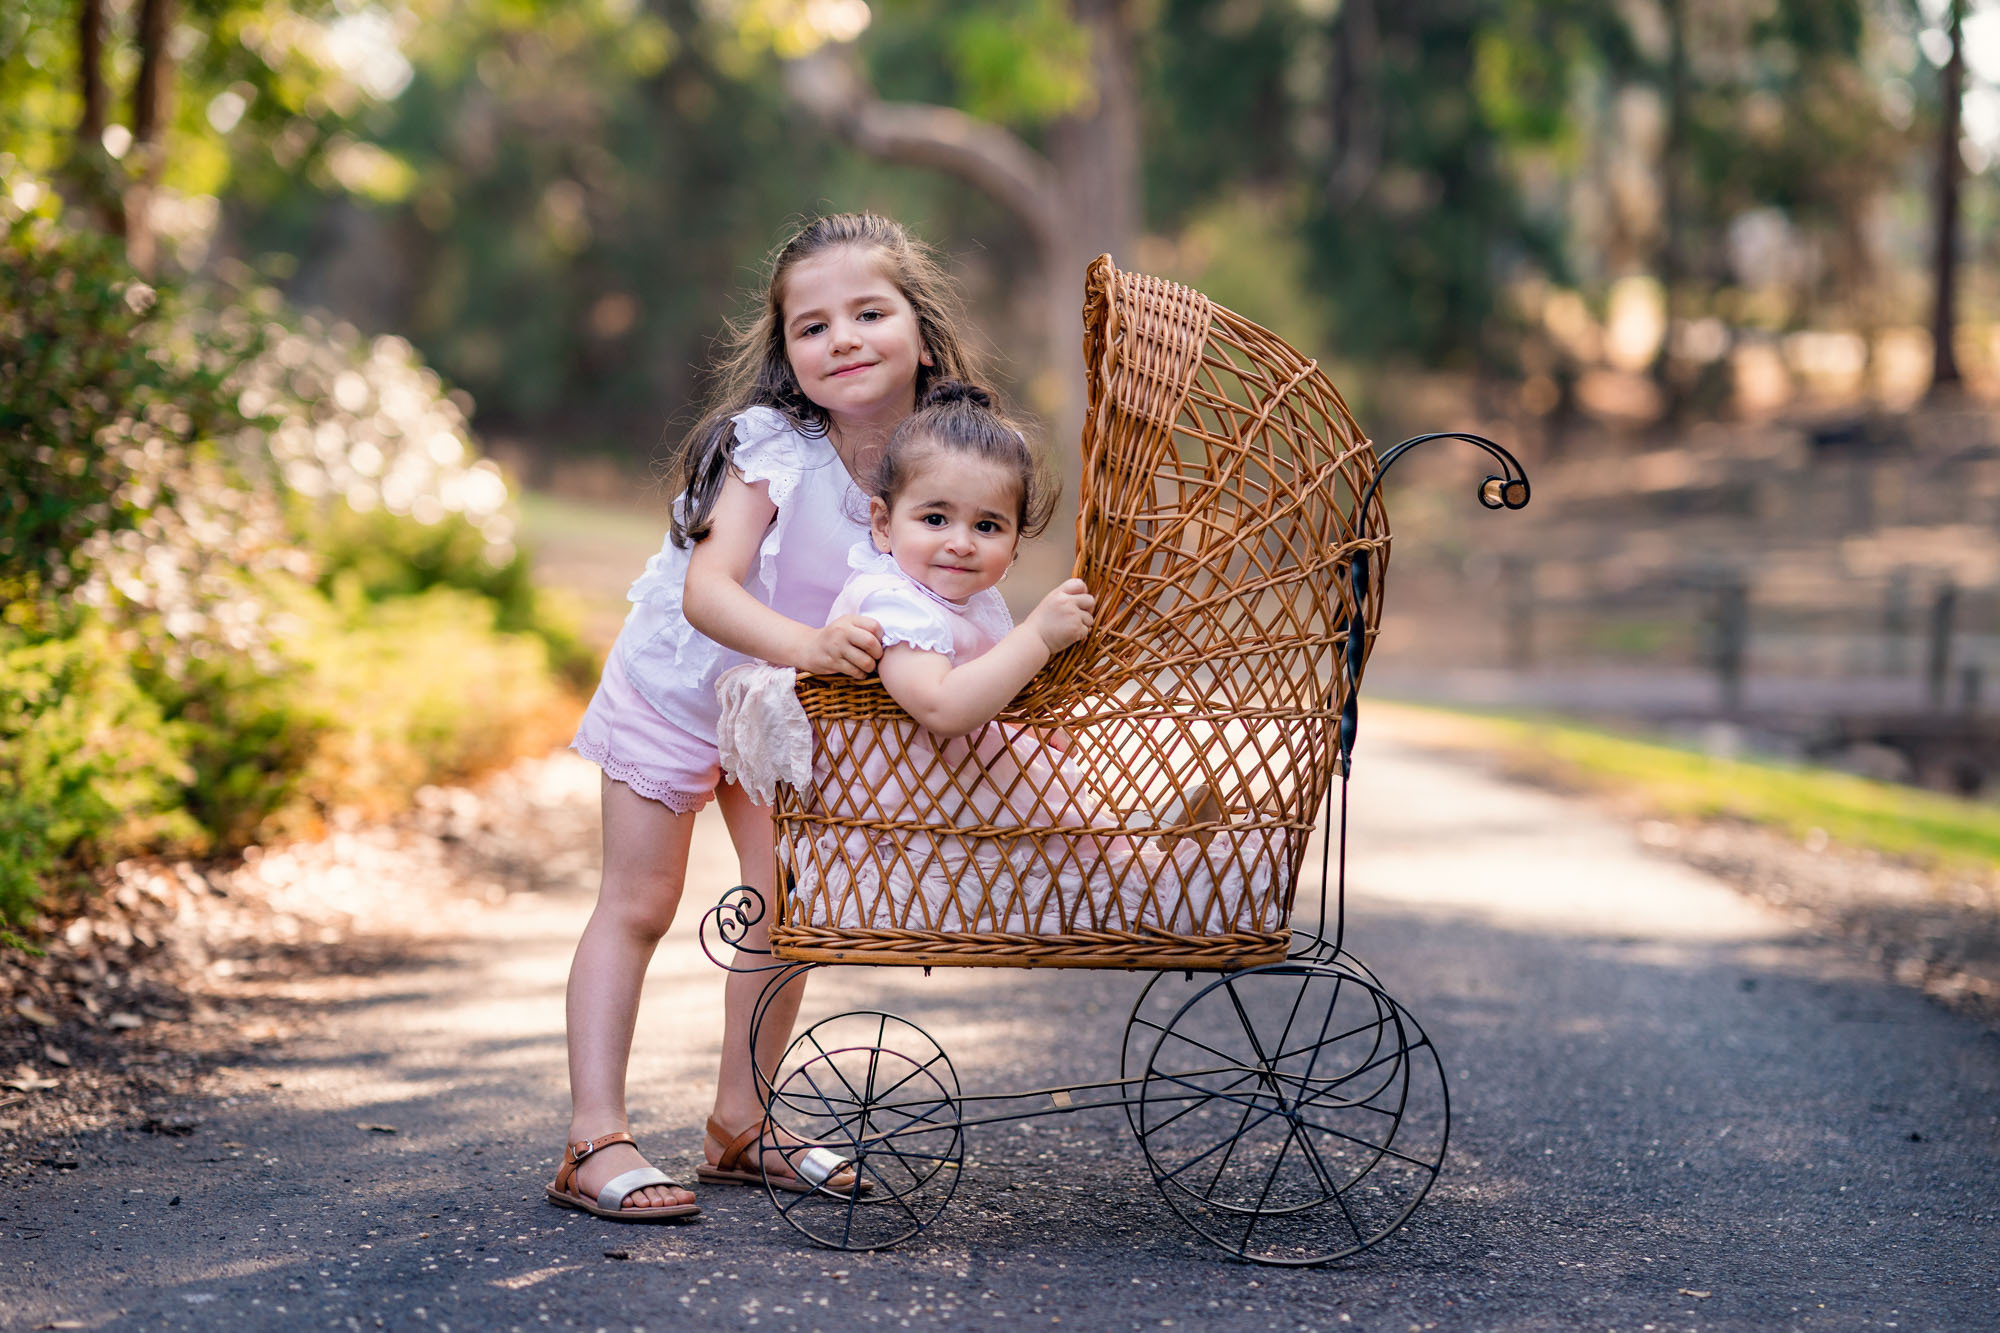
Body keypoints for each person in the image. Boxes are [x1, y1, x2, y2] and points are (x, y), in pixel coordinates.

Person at [547, 213, 984, 1222]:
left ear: (919, 329)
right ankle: (591, 1137)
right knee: (639, 900)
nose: (842, 339)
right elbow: (710, 591)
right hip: (681, 683)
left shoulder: (938, 456)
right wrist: (808, 648)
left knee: (787, 902)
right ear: (784, 352)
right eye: (811, 326)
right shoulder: (770, 444)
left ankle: (740, 1126)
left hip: (776, 704)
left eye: (868, 312)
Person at [794, 380, 1264, 939]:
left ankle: (1145, 854)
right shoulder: (891, 603)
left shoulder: (961, 602)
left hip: (953, 791)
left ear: (1015, 543)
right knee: (1062, 830)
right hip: (907, 816)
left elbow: (990, 686)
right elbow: (943, 707)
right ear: (882, 524)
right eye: (935, 519)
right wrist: (1037, 636)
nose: (962, 542)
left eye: (987, 526)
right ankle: (1152, 869)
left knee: (1064, 807)